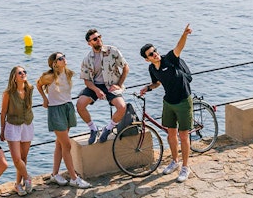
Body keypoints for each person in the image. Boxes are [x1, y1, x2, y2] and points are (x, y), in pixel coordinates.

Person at [138, 24, 194, 183]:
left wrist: (184, 34)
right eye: (151, 54)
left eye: (155, 50)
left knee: (183, 135)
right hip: (169, 102)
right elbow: (157, 83)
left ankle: (185, 167)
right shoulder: (152, 69)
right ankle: (175, 162)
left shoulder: (170, 58)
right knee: (171, 134)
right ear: (146, 59)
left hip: (183, 100)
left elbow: (179, 47)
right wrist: (147, 88)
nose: (155, 54)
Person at [36, 52, 92, 189]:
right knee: (67, 145)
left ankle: (55, 174)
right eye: (60, 58)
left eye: (64, 56)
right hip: (56, 110)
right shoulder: (48, 77)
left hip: (68, 108)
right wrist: (45, 98)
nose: (64, 59)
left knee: (60, 144)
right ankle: (74, 178)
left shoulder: (68, 73)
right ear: (54, 63)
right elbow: (38, 85)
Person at [76, 28, 129, 143]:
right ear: (89, 43)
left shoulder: (112, 51)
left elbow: (125, 67)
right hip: (95, 85)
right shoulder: (87, 59)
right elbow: (86, 80)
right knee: (80, 105)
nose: (99, 40)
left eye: (99, 37)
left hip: (112, 84)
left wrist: (119, 85)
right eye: (95, 39)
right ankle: (93, 129)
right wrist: (96, 90)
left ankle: (108, 128)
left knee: (122, 107)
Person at [0, 65, 35, 195]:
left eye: (24, 72)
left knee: (24, 157)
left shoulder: (30, 89)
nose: (23, 74)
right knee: (16, 158)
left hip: (27, 124)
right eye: (20, 73)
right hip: (13, 126)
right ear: (14, 77)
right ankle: (28, 178)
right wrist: (2, 130)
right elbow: (3, 113)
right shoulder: (8, 93)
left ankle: (18, 184)